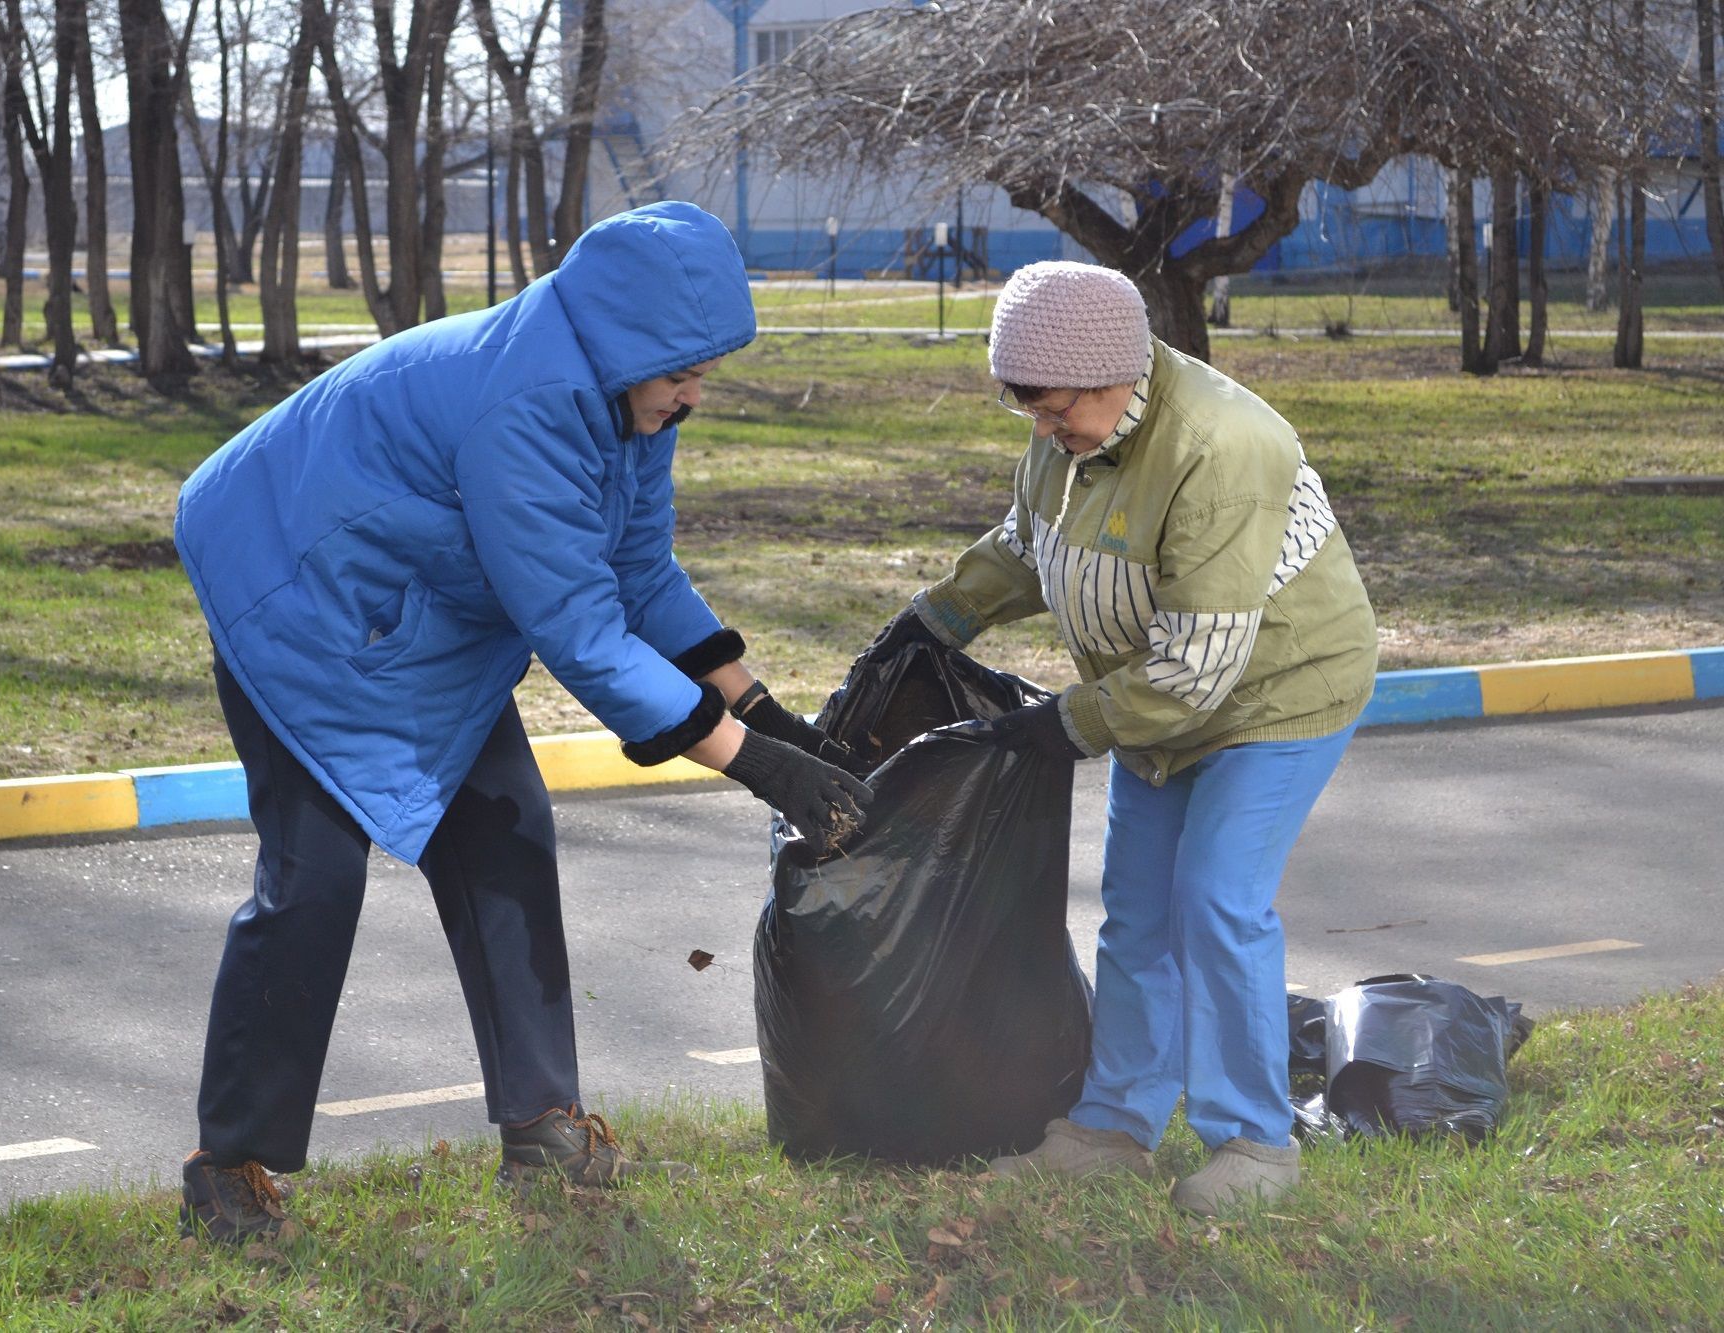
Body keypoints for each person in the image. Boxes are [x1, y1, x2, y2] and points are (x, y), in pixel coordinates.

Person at [172, 201, 872, 1243]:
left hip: (415, 607)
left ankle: (542, 1128)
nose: (695, 388)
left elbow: (637, 570)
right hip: (294, 596)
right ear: (627, 343)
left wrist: (764, 709)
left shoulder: (626, 401)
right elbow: (583, 634)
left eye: (703, 367)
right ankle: (227, 1166)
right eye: (682, 366)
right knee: (314, 878)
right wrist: (759, 768)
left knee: (505, 830)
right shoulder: (531, 403)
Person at [872, 261, 1376, 1215]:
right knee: (1137, 913)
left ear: (1115, 375)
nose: (1044, 429)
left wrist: (1066, 723)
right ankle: (1113, 1126)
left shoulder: (1221, 448)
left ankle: (1254, 1146)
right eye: (1030, 412)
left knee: (1216, 903)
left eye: (1056, 409)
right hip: (1156, 696)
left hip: (1275, 692)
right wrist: (937, 618)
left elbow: (1198, 670)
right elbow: (1033, 540)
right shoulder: (1069, 434)